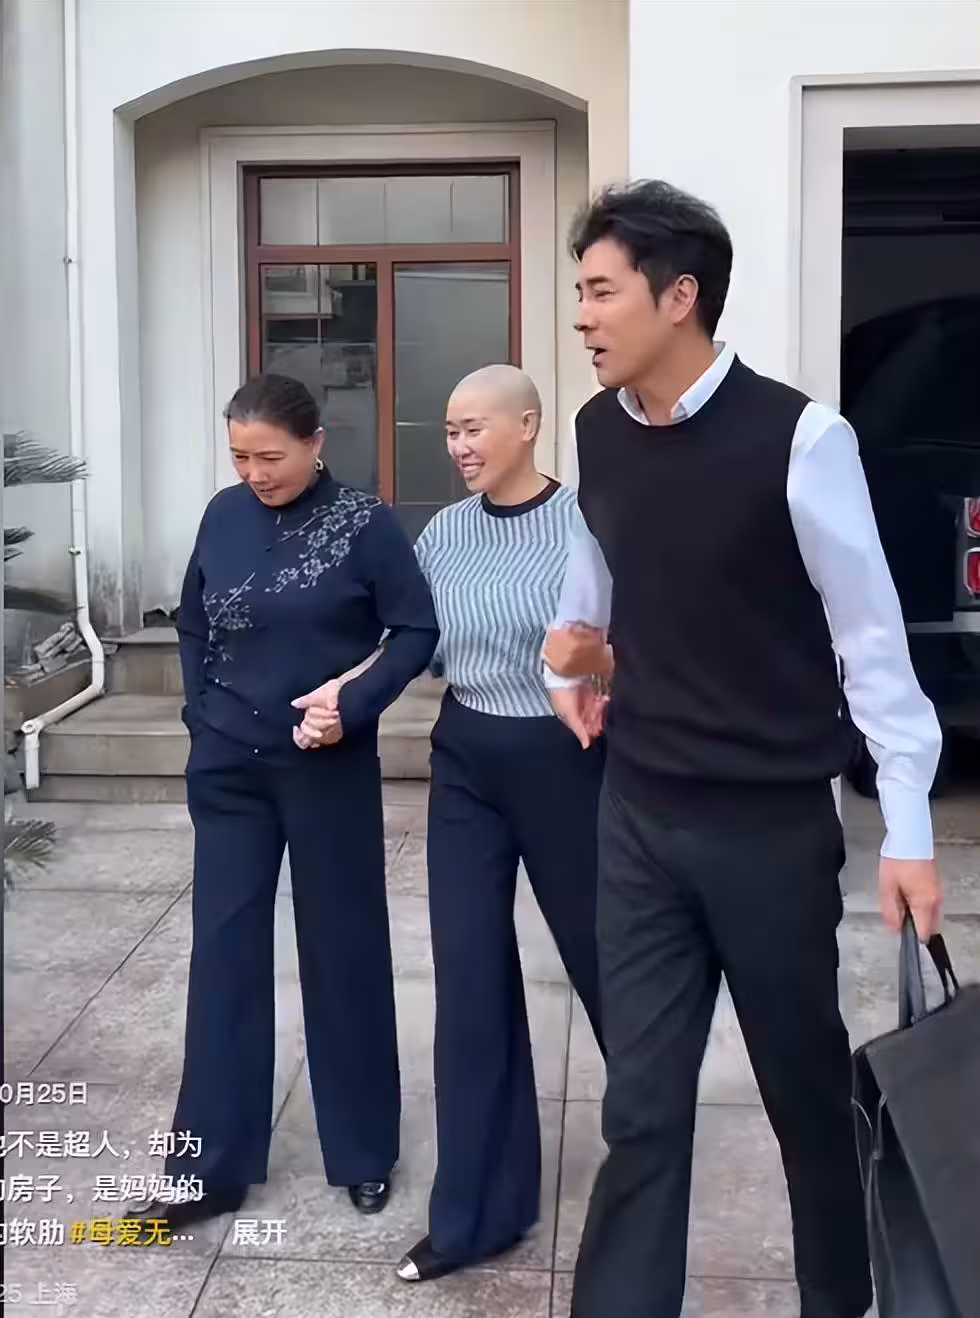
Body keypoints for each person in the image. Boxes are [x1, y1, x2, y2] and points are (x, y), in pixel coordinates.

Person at [541, 181, 944, 1318]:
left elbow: (871, 644)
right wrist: (570, 667)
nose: (581, 315)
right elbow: (599, 572)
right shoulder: (596, 430)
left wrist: (908, 830)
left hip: (767, 829)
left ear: (679, 297)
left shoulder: (802, 439)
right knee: (640, 1110)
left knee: (803, 1099)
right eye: (580, 292)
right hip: (635, 815)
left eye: (600, 291)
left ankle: (839, 1299)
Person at [303, 364, 608, 1281]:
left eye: (475, 427)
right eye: (450, 430)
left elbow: (622, 644)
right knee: (469, 980)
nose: (460, 446)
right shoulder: (443, 533)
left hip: (567, 761)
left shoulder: (587, 525)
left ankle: (649, 1162)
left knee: (612, 969)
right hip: (468, 759)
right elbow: (409, 640)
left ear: (529, 424)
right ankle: (477, 1213)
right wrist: (344, 694)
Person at [136, 373, 438, 1229]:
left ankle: (364, 1151)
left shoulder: (366, 524)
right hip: (229, 766)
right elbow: (194, 621)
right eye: (240, 456)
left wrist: (355, 703)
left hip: (324, 765)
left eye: (270, 456)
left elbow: (415, 630)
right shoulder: (223, 516)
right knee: (223, 958)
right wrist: (201, 714)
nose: (254, 473)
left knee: (343, 949)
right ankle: (208, 1169)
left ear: (315, 445)